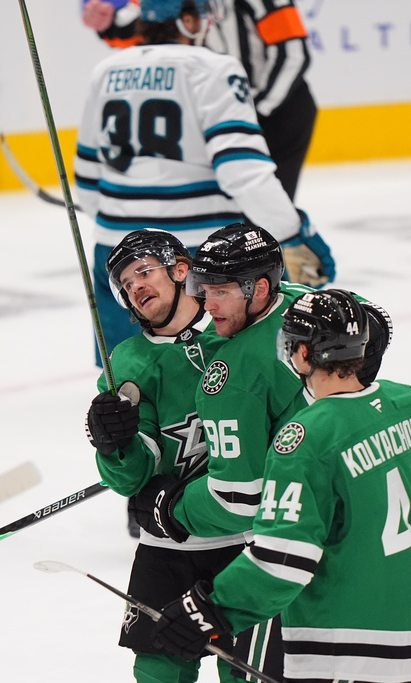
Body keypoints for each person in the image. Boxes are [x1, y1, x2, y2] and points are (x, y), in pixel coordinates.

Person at [150, 289, 411, 682]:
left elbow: (284, 560)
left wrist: (209, 609)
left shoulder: (304, 439)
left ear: (301, 355)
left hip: (341, 638)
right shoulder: (410, 404)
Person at [125, 223, 389, 679]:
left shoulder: (228, 377)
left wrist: (173, 509)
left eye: (221, 292)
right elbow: (376, 320)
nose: (208, 306)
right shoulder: (306, 304)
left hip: (295, 537)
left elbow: (239, 500)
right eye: (203, 291)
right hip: (361, 516)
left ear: (260, 287)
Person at [75, 0, 333, 366]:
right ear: (189, 19)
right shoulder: (214, 68)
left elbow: (86, 184)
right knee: (215, 383)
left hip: (113, 253)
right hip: (193, 256)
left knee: (127, 384)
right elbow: (243, 172)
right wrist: (293, 233)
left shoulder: (106, 71)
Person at [85, 228, 266, 683]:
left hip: (245, 539)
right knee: (158, 670)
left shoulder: (234, 328)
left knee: (247, 671)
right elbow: (129, 478)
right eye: (127, 284)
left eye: (144, 271)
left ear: (181, 270)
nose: (136, 286)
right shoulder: (128, 363)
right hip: (168, 546)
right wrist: (114, 445)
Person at [81, 0, 317, 201]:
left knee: (264, 206)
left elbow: (293, 55)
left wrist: (250, 115)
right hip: (216, 116)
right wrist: (107, 23)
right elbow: (138, 28)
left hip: (278, 114)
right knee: (221, 210)